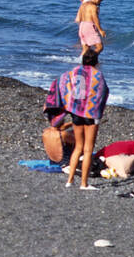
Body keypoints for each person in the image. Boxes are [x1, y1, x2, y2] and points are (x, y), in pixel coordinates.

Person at [45, 48, 109, 189]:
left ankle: (70, 180)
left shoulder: (73, 72)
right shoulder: (98, 75)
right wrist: (98, 111)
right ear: (96, 61)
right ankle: (84, 184)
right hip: (90, 115)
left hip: (76, 113)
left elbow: (61, 83)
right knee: (88, 149)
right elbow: (103, 93)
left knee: (78, 148)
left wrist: (65, 105)